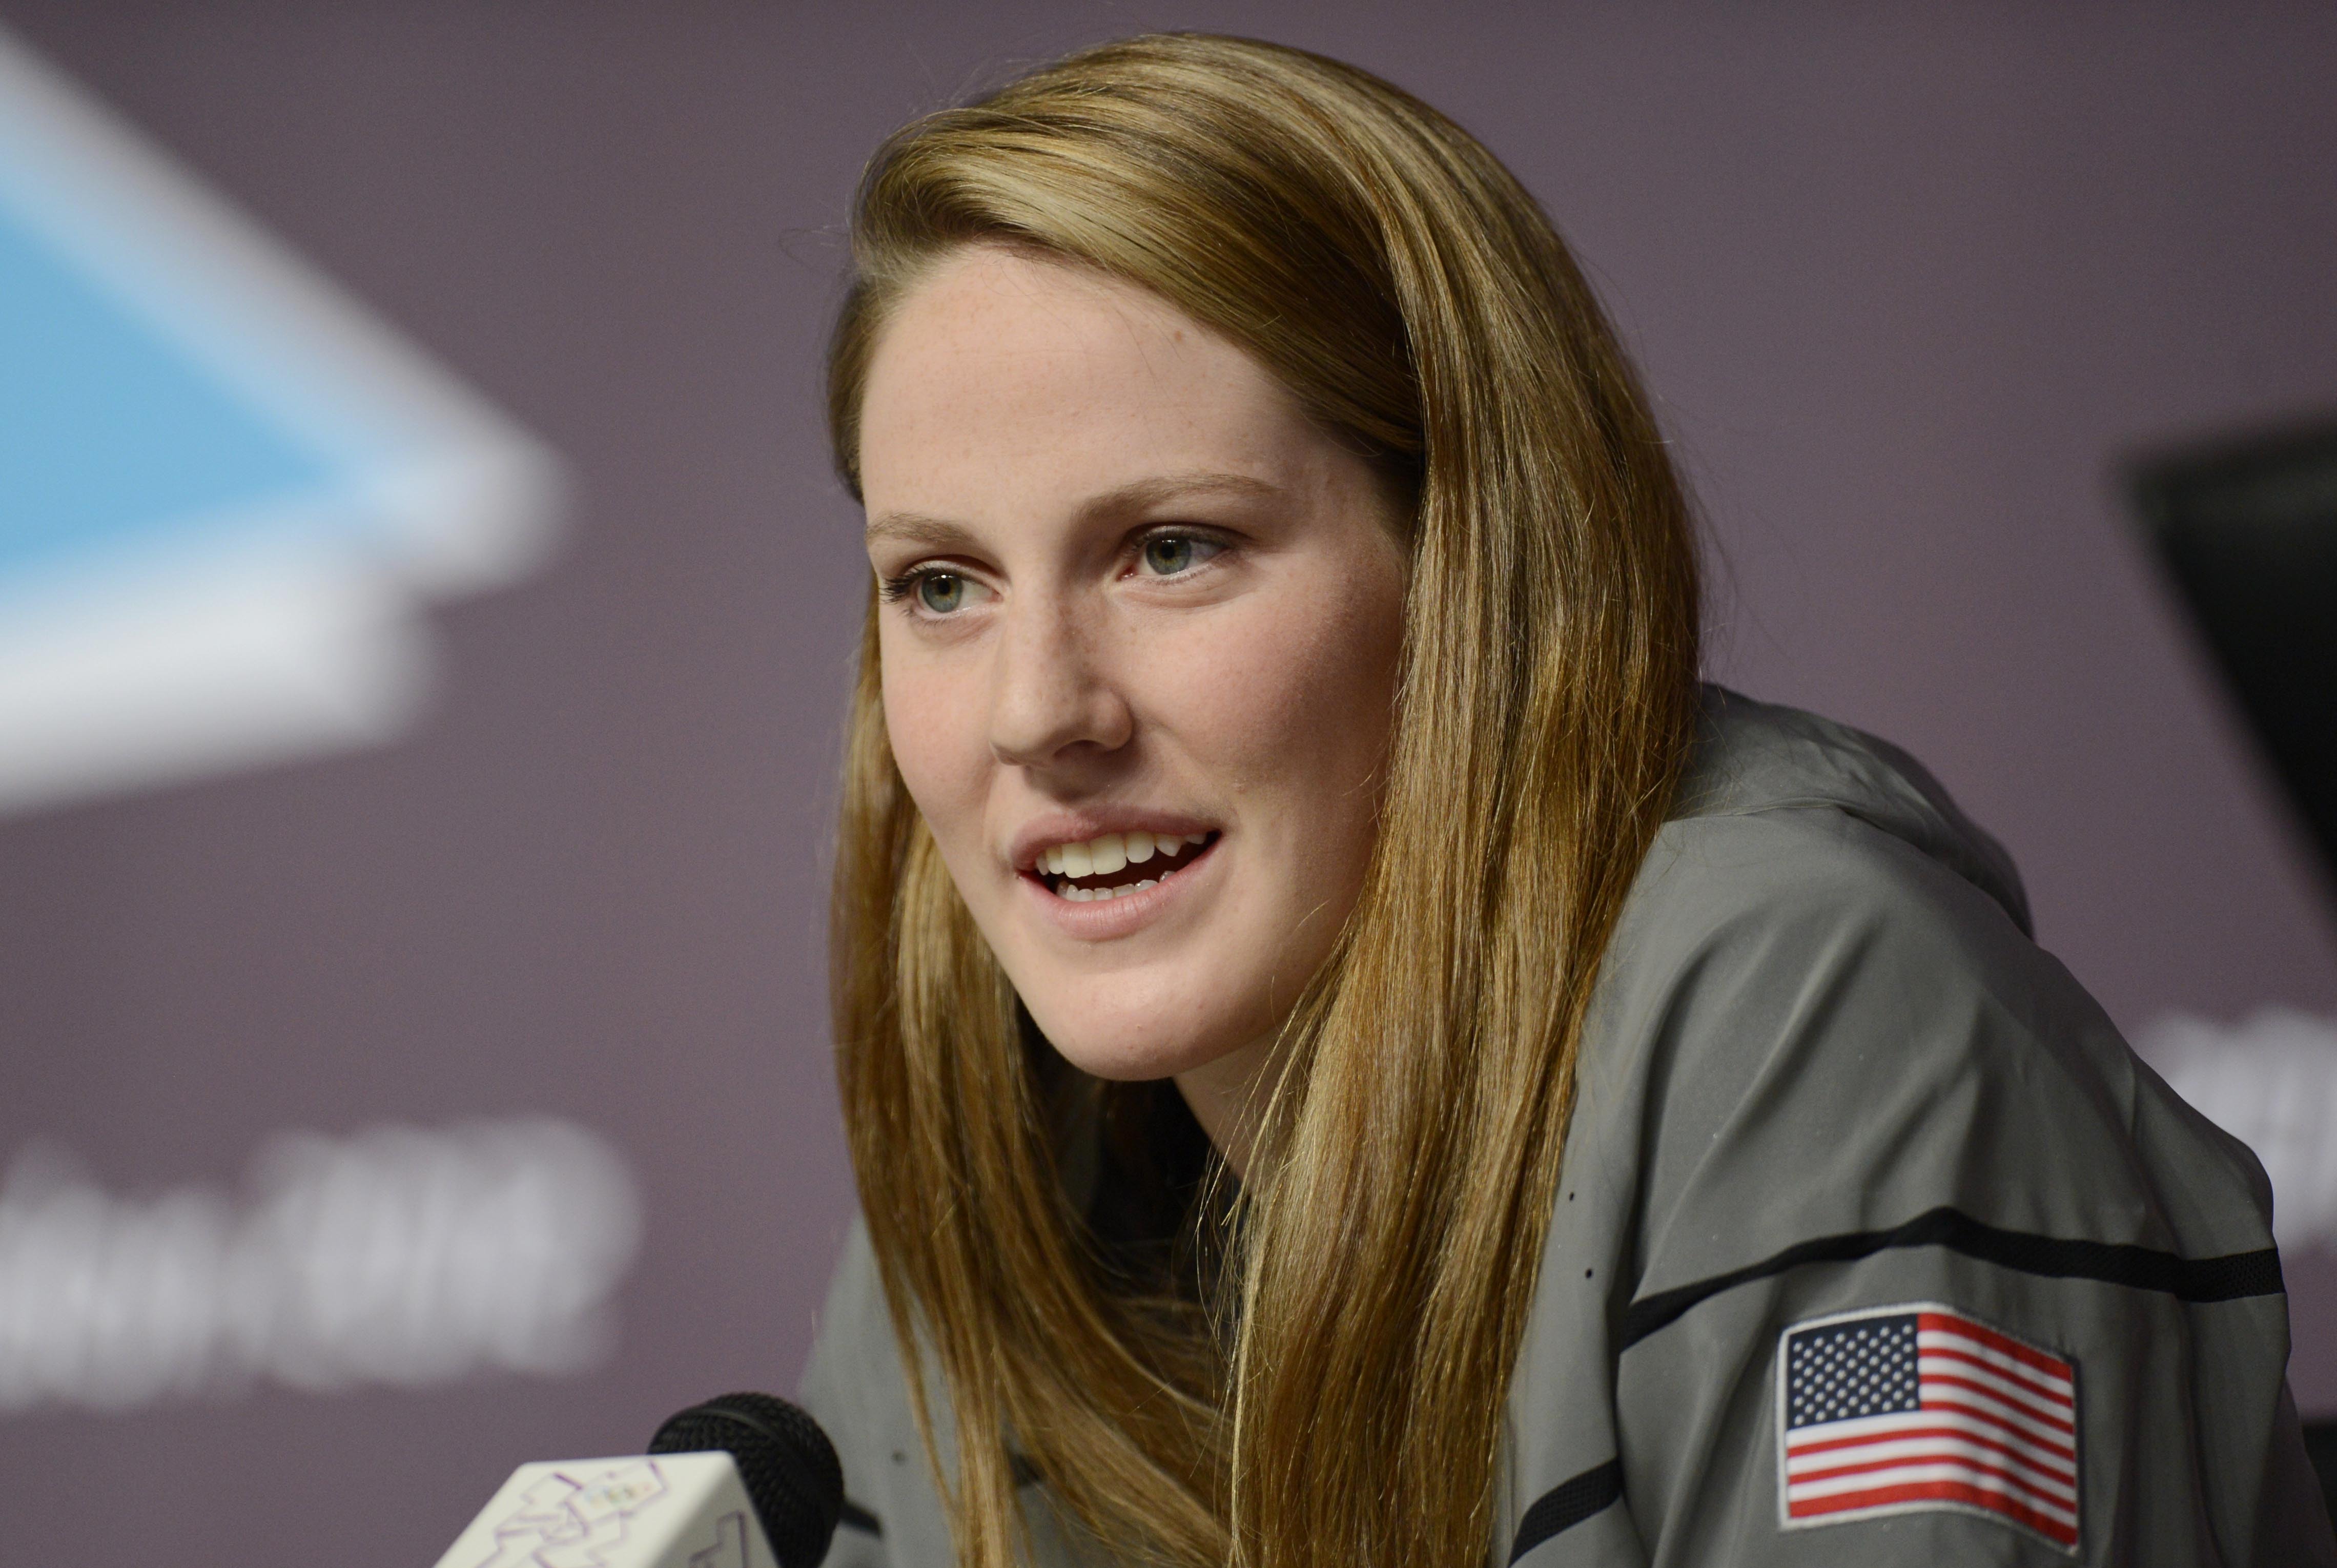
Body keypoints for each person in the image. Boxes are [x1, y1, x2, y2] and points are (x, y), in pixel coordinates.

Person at [795, 32, 2336, 1568]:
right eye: (941, 584)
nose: (1037, 709)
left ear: (1472, 565)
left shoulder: (1802, 1004)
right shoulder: (997, 1161)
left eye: (1174, 549)